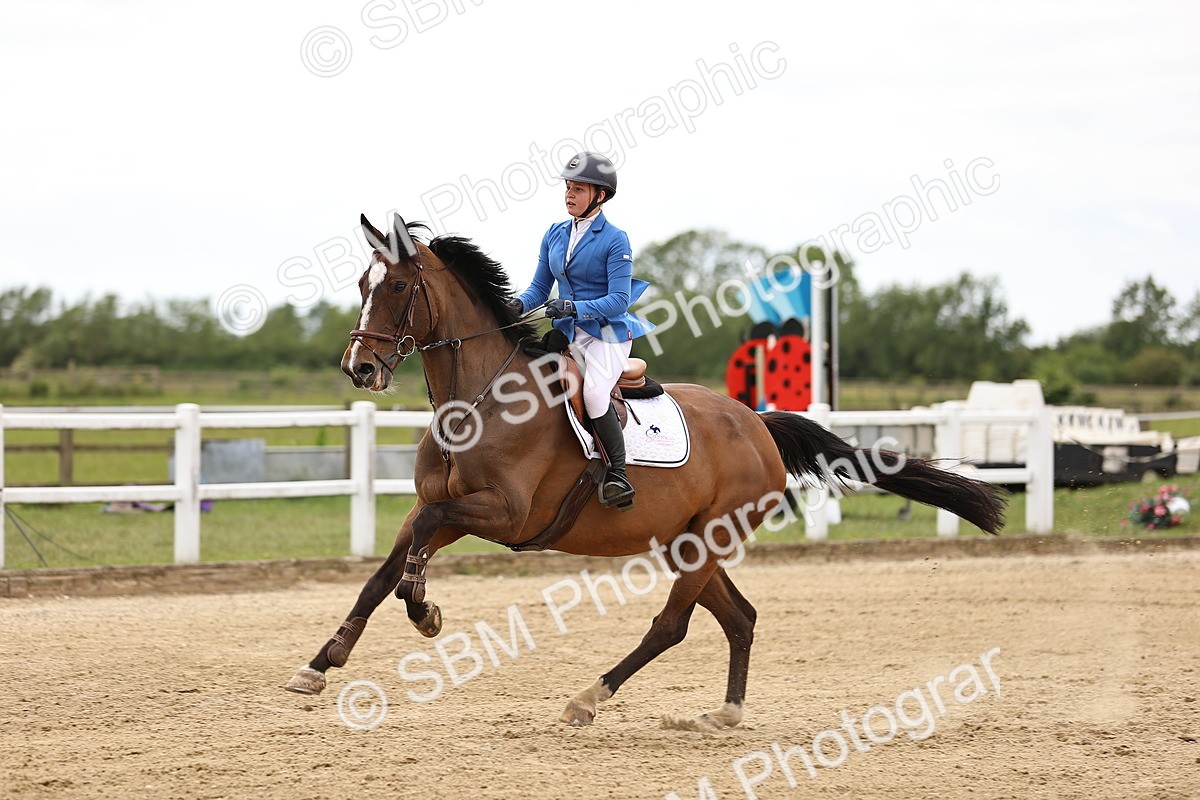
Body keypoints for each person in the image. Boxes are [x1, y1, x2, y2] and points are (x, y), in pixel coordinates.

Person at [510, 152, 654, 510]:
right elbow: (539, 290)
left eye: (578, 189)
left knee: (592, 394)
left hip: (608, 335)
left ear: (600, 195)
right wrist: (514, 306)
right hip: (568, 335)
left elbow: (619, 299)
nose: (569, 195)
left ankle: (618, 475)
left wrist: (575, 308)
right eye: (568, 188)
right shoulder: (555, 234)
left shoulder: (615, 239)